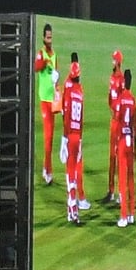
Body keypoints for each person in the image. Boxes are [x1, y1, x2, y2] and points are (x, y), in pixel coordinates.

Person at [34, 23, 59, 185]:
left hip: (53, 101)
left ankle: (46, 168)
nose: (49, 40)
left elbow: (56, 73)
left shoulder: (54, 54)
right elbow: (36, 68)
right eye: (47, 37)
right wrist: (44, 62)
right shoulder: (41, 54)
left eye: (51, 37)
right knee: (48, 136)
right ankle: (47, 171)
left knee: (51, 138)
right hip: (44, 100)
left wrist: (57, 84)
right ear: (43, 38)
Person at [61, 60, 85, 225]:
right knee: (75, 171)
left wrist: (64, 137)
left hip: (70, 135)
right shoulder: (81, 92)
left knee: (69, 172)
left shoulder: (69, 92)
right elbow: (81, 118)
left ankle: (73, 208)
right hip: (78, 136)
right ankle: (71, 209)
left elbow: (67, 115)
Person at [114, 69, 136, 228]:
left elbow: (118, 122)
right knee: (130, 178)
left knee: (122, 179)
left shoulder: (121, 100)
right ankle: (131, 213)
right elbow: (135, 126)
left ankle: (123, 216)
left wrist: (116, 142)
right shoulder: (133, 100)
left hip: (122, 140)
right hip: (131, 142)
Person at [105, 49, 124, 204]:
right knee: (112, 157)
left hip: (119, 123)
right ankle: (110, 191)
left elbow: (122, 101)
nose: (112, 61)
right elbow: (110, 98)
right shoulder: (112, 77)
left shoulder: (121, 79)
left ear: (118, 62)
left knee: (119, 158)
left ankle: (120, 192)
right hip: (113, 121)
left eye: (114, 59)